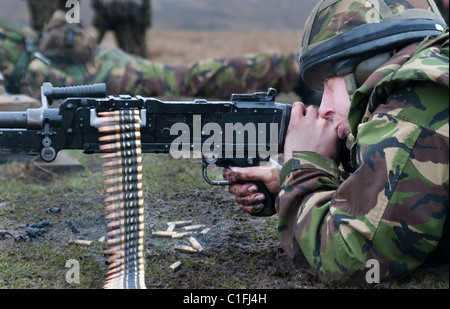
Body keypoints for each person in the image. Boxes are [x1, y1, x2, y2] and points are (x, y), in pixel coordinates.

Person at [225, 0, 449, 282]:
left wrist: (303, 172)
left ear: (369, 67)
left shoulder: (414, 107)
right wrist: (289, 181)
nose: (325, 108)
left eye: (330, 85)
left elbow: (354, 261)